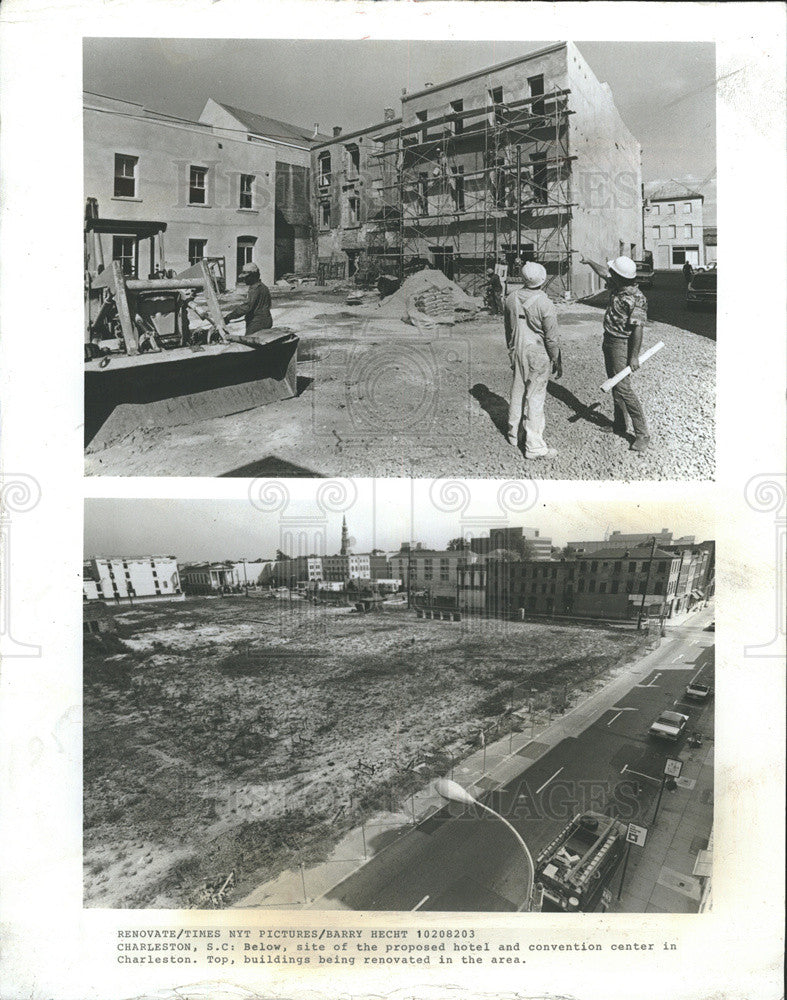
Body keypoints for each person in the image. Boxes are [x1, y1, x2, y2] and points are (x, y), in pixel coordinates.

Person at [581, 254, 650, 452]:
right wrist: (589, 261)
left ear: (620, 277)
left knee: (623, 388)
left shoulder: (636, 299)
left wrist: (634, 356)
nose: (609, 274)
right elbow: (604, 272)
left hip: (622, 343)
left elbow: (638, 329)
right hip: (609, 340)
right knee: (614, 382)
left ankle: (642, 434)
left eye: (613, 272)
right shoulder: (618, 285)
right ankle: (620, 424)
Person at [503, 261, 562, 459]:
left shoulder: (511, 298)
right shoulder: (545, 303)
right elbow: (551, 337)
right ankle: (534, 446)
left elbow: (508, 329)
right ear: (543, 279)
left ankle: (513, 434)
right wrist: (556, 358)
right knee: (535, 398)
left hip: (518, 349)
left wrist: (511, 351)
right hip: (537, 352)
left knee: (517, 391)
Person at [224, 261, 273, 334]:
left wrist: (229, 317)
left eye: (246, 277)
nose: (244, 280)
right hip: (266, 320)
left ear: (253, 275)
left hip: (257, 323)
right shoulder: (263, 287)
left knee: (249, 343)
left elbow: (247, 307)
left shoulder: (254, 289)